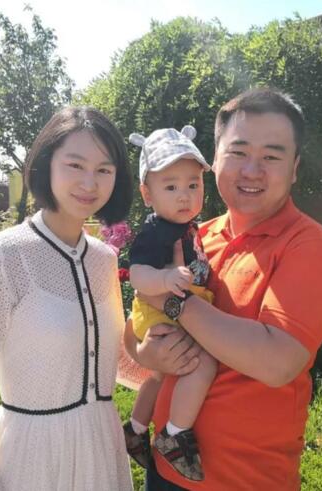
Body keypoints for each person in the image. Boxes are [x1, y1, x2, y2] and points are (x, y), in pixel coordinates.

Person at [124, 88, 322, 490]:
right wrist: (147, 354)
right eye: (239, 152)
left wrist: (174, 302)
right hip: (164, 472)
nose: (252, 170)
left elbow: (276, 362)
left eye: (272, 157)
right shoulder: (194, 235)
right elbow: (133, 330)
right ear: (215, 159)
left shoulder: (309, 246)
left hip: (244, 480)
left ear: (294, 168)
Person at [0, 106, 134, 490]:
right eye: (75, 165)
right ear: (46, 163)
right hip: (33, 461)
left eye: (104, 169)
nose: (89, 182)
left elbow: (108, 362)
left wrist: (166, 366)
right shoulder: (1, 257)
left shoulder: (104, 259)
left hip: (101, 453)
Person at [122, 125, 215, 482]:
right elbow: (137, 275)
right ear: (147, 194)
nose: (184, 196)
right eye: (171, 187)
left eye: (193, 184)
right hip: (159, 310)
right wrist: (165, 280)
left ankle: (135, 428)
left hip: (170, 309)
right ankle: (174, 435)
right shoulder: (156, 230)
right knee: (201, 363)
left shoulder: (189, 227)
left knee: (160, 375)